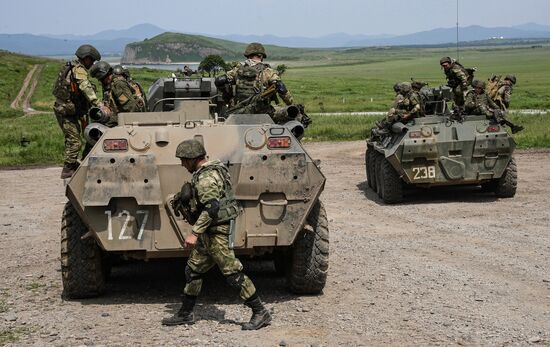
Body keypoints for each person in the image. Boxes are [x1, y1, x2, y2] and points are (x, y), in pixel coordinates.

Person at [162, 139, 271, 330]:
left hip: (216, 232)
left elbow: (212, 208)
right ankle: (185, 314)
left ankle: (260, 312)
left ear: (193, 159)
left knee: (233, 273)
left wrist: (194, 233)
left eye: (183, 160)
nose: (182, 164)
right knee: (193, 270)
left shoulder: (206, 178)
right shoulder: (211, 170)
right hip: (209, 232)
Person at [52, 44, 102, 179]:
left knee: (73, 138)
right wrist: (97, 103)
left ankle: (72, 164)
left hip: (68, 110)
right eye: (91, 60)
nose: (92, 63)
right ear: (86, 58)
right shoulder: (78, 70)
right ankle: (68, 168)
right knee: (75, 141)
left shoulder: (71, 66)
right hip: (66, 111)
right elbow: (85, 86)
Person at [216, 42, 294, 117]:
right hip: (261, 113)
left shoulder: (237, 70)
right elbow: (281, 88)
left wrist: (228, 98)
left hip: (238, 111)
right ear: (261, 56)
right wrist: (291, 104)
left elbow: (219, 81)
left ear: (248, 55)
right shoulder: (267, 72)